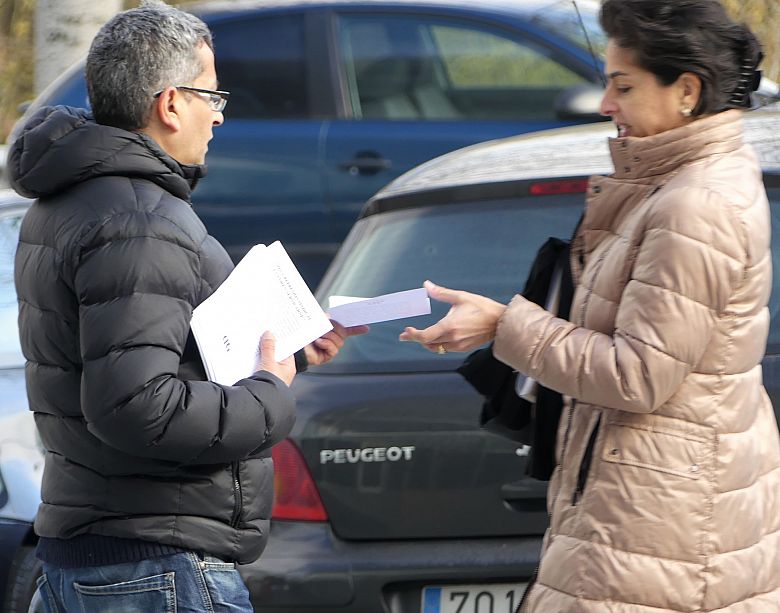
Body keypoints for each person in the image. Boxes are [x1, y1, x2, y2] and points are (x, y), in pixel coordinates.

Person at [400, 0, 780, 610]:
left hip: (658, 526)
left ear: (687, 91)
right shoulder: (682, 183)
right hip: (653, 506)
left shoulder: (695, 204)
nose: (606, 104)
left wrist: (504, 324)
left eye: (623, 86)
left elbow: (638, 375)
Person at [8, 1, 366, 611]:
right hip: (154, 567)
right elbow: (136, 406)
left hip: (97, 558)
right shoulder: (140, 218)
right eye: (212, 96)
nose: (219, 115)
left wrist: (285, 354)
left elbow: (132, 359)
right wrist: (268, 393)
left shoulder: (72, 200)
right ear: (171, 104)